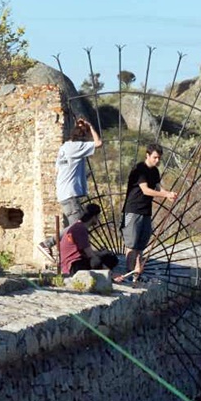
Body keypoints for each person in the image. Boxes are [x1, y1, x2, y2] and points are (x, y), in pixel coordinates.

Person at [37, 117, 102, 262]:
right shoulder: (77, 146)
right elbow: (98, 143)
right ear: (83, 137)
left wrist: (82, 177)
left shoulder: (64, 148)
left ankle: (74, 256)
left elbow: (60, 171)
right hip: (71, 195)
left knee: (75, 227)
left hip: (63, 193)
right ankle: (48, 243)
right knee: (77, 228)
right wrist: (91, 126)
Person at [117, 143, 177, 282]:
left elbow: (157, 187)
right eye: (155, 157)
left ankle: (136, 275)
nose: (157, 161)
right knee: (131, 245)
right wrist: (164, 196)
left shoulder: (155, 171)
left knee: (141, 244)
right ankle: (129, 273)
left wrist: (168, 194)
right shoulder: (139, 169)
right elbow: (146, 190)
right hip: (133, 209)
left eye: (159, 158)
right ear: (147, 155)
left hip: (146, 211)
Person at [58, 204, 118, 275]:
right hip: (73, 265)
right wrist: (110, 274)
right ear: (94, 217)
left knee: (110, 258)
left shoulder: (78, 226)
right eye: (98, 217)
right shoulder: (80, 229)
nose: (98, 219)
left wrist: (103, 253)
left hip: (73, 262)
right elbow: (90, 255)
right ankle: (105, 276)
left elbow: (86, 251)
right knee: (98, 260)